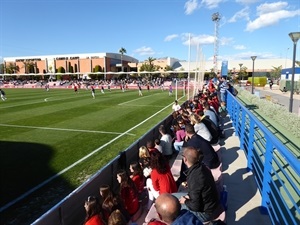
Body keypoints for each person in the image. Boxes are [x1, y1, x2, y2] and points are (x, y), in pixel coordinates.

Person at [176, 146, 223, 223]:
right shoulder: (202, 167)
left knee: (173, 207)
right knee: (173, 198)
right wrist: (189, 196)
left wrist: (185, 201)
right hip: (211, 205)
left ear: (185, 159)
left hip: (206, 213)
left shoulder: (195, 177)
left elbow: (195, 207)